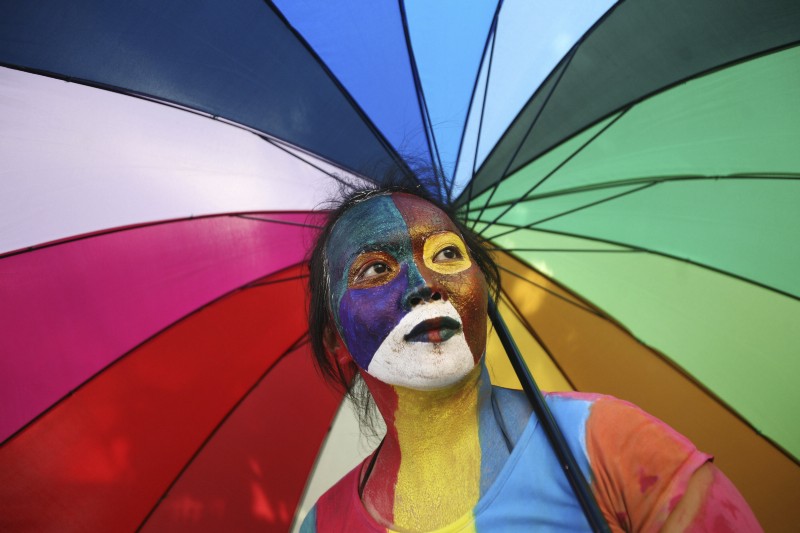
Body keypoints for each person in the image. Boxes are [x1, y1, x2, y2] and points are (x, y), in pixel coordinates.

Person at [300, 185, 761, 532]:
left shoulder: (610, 443)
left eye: (447, 253)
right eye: (377, 268)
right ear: (337, 342)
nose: (425, 283)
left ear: (482, 295)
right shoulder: (323, 524)